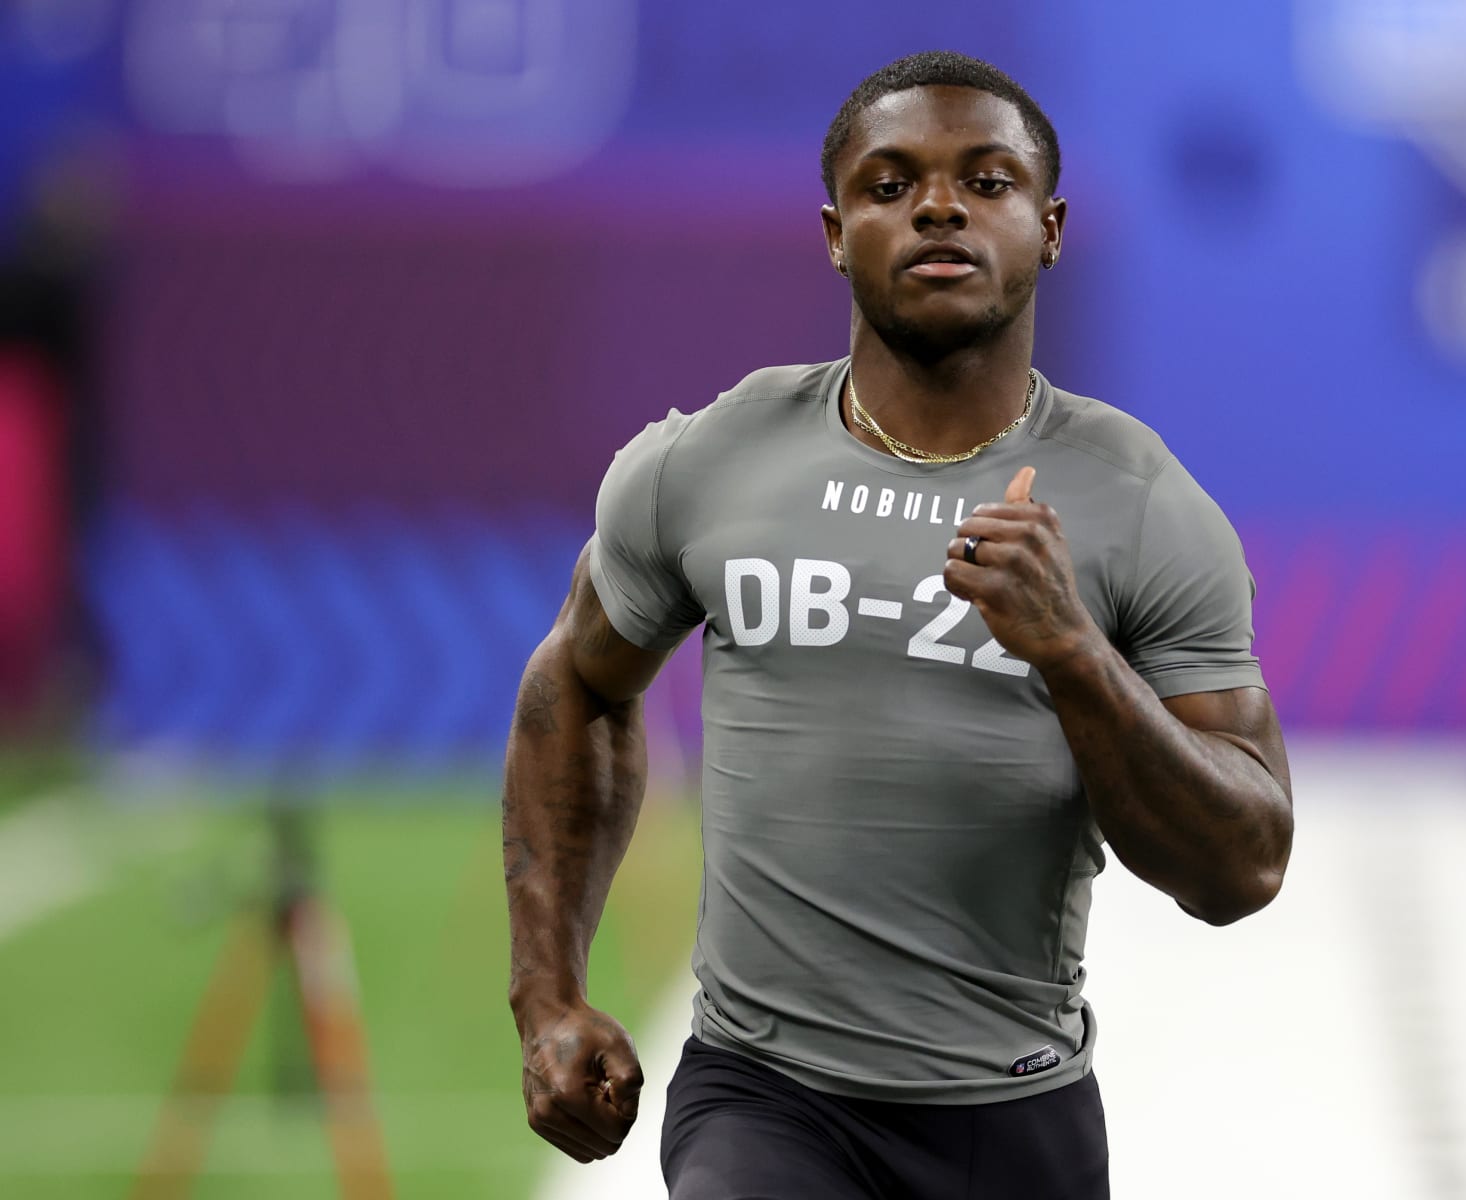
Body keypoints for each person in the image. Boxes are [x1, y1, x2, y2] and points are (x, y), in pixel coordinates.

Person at [502, 50, 1294, 1199]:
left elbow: (1243, 866)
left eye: (987, 180)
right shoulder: (710, 459)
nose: (936, 205)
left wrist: (1074, 655)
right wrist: (548, 998)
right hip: (761, 1099)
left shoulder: (1143, 504)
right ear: (834, 233)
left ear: (1051, 225)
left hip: (1013, 1115)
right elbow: (576, 686)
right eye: (889, 184)